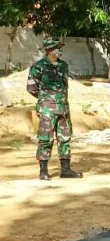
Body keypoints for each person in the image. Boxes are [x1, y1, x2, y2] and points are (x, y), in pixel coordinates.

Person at [26, 37, 83, 180]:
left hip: (63, 107)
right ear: (49, 50)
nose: (60, 50)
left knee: (65, 138)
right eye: (57, 47)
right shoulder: (38, 66)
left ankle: (65, 169)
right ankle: (43, 170)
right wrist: (46, 99)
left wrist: (62, 100)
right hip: (47, 108)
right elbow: (31, 88)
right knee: (46, 138)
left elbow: (65, 86)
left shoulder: (63, 65)